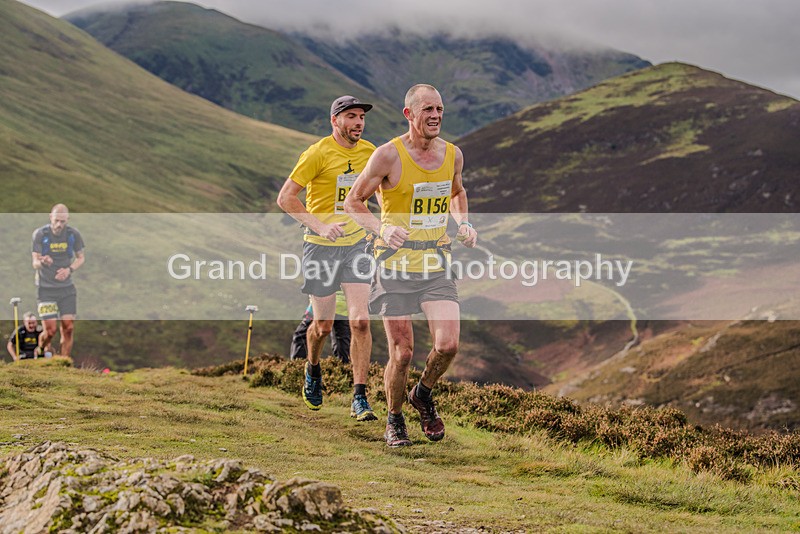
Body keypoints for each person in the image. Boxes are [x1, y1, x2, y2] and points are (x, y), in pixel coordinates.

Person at [344, 84, 478, 447]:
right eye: (427, 110)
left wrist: (463, 223)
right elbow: (354, 202)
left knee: (448, 345)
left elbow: (457, 191)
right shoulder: (388, 155)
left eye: (439, 109)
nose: (435, 116)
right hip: (394, 267)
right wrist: (382, 228)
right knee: (402, 353)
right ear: (409, 114)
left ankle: (422, 393)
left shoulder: (453, 154)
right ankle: (395, 418)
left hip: (436, 263)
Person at [277, 96, 377, 421]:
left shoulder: (370, 153)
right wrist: (320, 226)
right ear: (335, 120)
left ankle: (360, 397)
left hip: (357, 246)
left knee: (360, 321)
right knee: (322, 326)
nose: (359, 122)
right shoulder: (317, 153)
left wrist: (380, 226)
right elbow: (286, 198)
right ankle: (312, 368)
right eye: (351, 116)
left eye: (361, 116)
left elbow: (381, 193)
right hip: (320, 247)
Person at [31, 204, 85, 358]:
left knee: (68, 327)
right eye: (56, 220)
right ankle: (40, 349)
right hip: (45, 289)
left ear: (68, 220)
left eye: (63, 221)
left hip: (66, 288)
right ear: (50, 217)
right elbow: (35, 263)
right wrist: (43, 262)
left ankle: (64, 361)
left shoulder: (73, 234)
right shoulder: (40, 234)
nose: (59, 224)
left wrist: (69, 270)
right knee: (50, 331)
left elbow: (81, 258)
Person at [290, 290, 352, 364]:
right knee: (341, 339)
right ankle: (344, 367)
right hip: (343, 306)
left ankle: (297, 366)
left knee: (302, 335)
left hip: (322, 303)